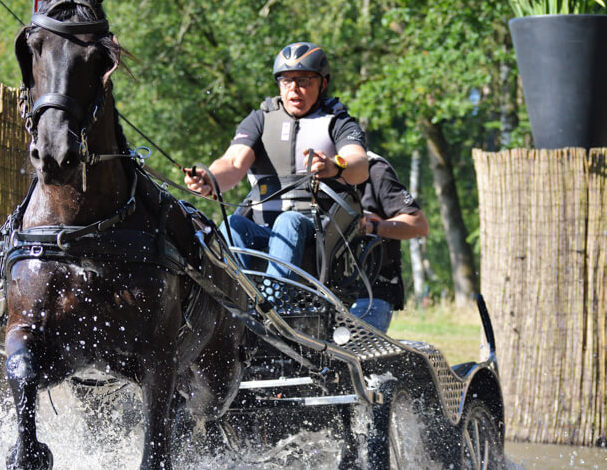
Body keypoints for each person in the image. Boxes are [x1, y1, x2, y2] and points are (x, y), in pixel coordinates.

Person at [184, 42, 369, 279]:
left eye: (304, 81)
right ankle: (229, 296)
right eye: (286, 81)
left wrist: (335, 166)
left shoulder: (338, 121)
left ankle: (275, 299)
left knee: (288, 221)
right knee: (234, 225)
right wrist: (209, 178)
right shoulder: (260, 120)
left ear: (322, 83)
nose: (294, 90)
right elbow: (232, 163)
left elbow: (359, 163)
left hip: (320, 233)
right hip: (262, 228)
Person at [350, 151, 429, 332]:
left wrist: (372, 226)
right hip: (321, 292)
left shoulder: (375, 169)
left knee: (357, 357)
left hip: (372, 292)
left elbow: (419, 225)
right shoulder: (304, 170)